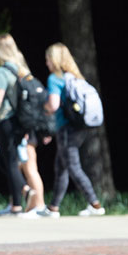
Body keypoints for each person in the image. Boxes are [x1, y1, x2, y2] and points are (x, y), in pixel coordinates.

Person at [0, 33, 40, 218]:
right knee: (8, 160)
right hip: (21, 122)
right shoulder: (22, 69)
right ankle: (17, 200)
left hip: (7, 120)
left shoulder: (3, 72)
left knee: (10, 161)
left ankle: (19, 201)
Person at [43, 42, 104, 217]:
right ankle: (53, 208)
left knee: (73, 166)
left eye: (48, 59)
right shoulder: (74, 77)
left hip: (66, 128)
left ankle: (95, 204)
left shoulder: (55, 78)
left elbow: (53, 105)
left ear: (54, 60)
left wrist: (44, 107)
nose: (46, 63)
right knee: (61, 166)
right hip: (80, 126)